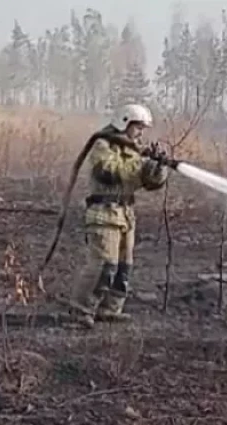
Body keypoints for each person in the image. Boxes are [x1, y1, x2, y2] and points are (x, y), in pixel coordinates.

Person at [65, 103, 169, 328]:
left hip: (125, 215)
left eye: (143, 128)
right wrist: (141, 164)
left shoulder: (133, 150)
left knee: (123, 266)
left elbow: (150, 183)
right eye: (138, 127)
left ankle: (109, 309)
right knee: (103, 264)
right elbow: (109, 172)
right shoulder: (103, 144)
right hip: (104, 215)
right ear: (124, 122)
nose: (141, 133)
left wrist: (157, 167)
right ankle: (81, 311)